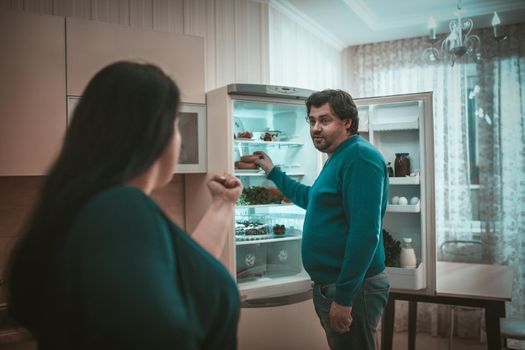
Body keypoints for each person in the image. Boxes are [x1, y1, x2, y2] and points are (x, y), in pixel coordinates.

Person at [6, 61, 242, 350]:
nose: (180, 142)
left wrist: (222, 204)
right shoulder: (121, 208)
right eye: (175, 124)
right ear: (155, 132)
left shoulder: (97, 206)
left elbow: (185, 278)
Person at [254, 89, 389, 349]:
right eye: (312, 120)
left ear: (347, 122)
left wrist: (345, 298)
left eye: (324, 120)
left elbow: (364, 233)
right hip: (334, 286)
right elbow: (313, 198)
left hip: (352, 288)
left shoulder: (359, 157)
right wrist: (273, 172)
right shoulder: (338, 157)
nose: (316, 128)